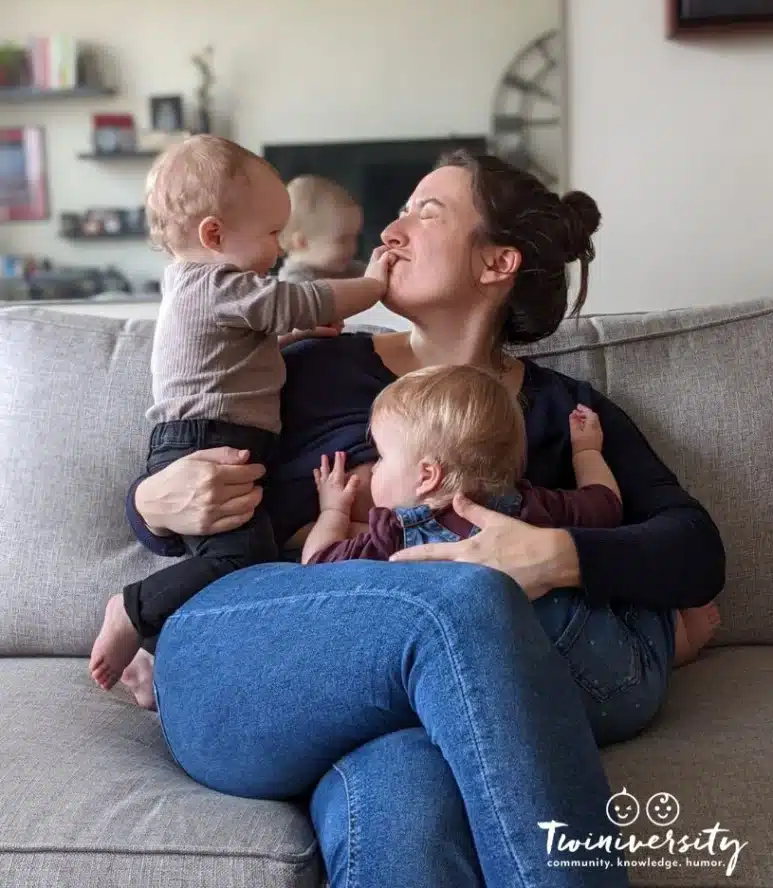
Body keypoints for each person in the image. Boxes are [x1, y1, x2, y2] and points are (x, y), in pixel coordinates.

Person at [126, 150, 725, 888]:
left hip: (419, 697)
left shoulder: (561, 412)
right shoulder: (305, 364)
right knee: (463, 597)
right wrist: (150, 501)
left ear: (496, 263)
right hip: (248, 664)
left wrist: (554, 557)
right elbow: (183, 462)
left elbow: (694, 552)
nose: (393, 229)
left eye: (425, 212)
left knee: (407, 785)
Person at [89, 135, 394, 692]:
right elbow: (298, 300)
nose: (279, 249)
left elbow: (245, 349)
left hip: (202, 436)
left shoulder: (196, 285)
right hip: (209, 440)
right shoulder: (218, 282)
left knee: (230, 565)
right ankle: (132, 611)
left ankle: (156, 653)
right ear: (214, 235)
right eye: (273, 233)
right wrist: (372, 284)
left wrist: (294, 334)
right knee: (241, 562)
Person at [303, 364, 719, 670]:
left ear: (427, 475)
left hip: (511, 695)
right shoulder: (532, 504)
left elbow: (316, 568)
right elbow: (607, 505)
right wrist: (586, 452)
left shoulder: (392, 535)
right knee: (637, 618)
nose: (372, 467)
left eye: (381, 457)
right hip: (614, 679)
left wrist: (334, 510)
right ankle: (682, 642)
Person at [277, 174, 365, 282]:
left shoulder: (343, 266)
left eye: (355, 237)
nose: (353, 247)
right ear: (302, 242)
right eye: (342, 240)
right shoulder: (295, 288)